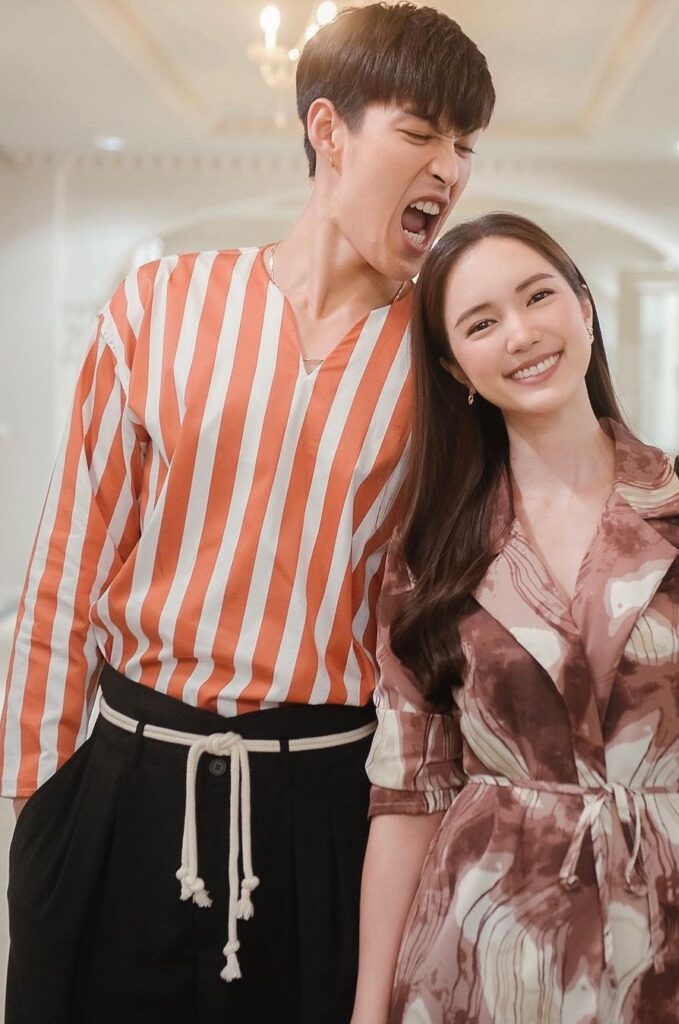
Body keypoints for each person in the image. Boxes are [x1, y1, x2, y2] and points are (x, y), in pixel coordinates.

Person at [0, 5, 494, 1021]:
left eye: (466, 145)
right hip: (126, 785)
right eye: (420, 132)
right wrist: (36, 818)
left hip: (326, 807)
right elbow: (64, 576)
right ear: (328, 130)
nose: (448, 167)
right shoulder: (158, 305)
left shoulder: (445, 361)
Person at [353, 213, 679, 1024]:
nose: (520, 334)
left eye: (537, 297)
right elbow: (409, 792)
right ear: (454, 369)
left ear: (583, 308)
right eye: (481, 323)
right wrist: (368, 1010)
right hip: (478, 960)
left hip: (672, 950)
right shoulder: (436, 543)